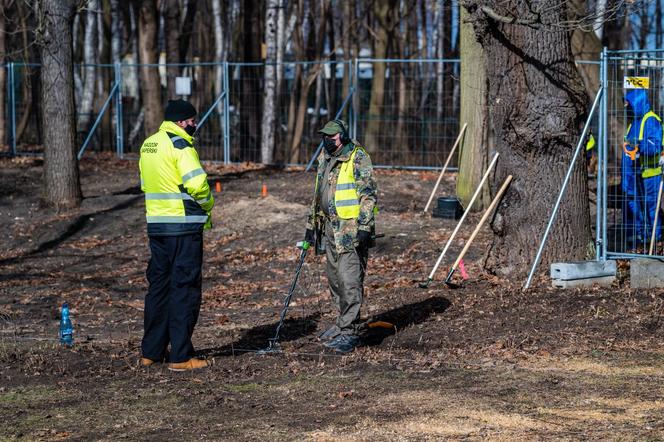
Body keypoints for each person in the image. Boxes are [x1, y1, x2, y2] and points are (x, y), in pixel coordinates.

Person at [138, 99, 215, 371]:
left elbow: (146, 184)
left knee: (158, 288)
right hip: (183, 227)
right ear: (182, 121)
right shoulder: (181, 145)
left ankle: (151, 351)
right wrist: (208, 204)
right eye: (192, 120)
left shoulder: (149, 144)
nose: (195, 124)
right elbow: (197, 184)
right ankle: (181, 356)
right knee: (184, 288)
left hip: (156, 226)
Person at [304, 119, 377, 353]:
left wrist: (365, 226)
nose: (327, 140)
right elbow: (318, 195)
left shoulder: (358, 157)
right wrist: (311, 225)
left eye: (332, 137)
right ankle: (342, 322)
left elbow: (368, 195)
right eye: (325, 136)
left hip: (351, 231)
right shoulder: (324, 158)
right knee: (335, 279)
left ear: (343, 137)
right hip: (329, 229)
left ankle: (351, 330)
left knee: (349, 280)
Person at [623, 88, 663, 246]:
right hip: (637, 173)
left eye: (629, 104)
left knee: (651, 208)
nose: (627, 108)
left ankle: (656, 239)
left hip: (651, 174)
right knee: (640, 207)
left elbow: (654, 146)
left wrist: (638, 146)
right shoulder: (635, 122)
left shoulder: (650, 120)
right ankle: (644, 237)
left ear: (637, 103)